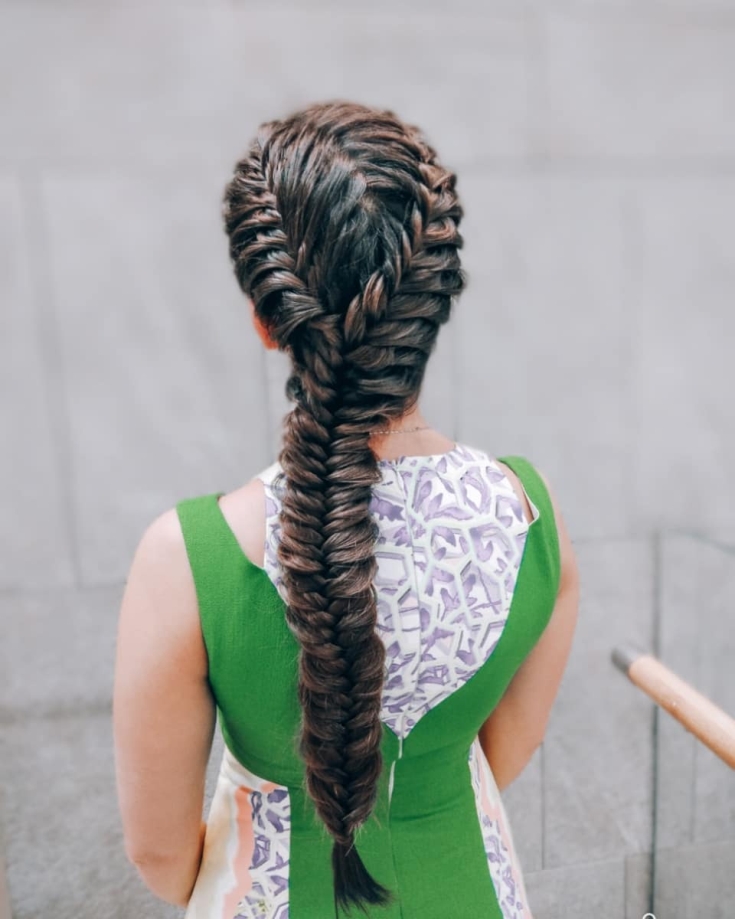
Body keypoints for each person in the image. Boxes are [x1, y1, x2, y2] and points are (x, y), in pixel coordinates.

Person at [113, 100, 580, 919]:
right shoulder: (529, 514)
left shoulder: (188, 558)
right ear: (432, 306)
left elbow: (157, 850)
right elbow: (509, 747)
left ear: (269, 322)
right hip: (470, 888)